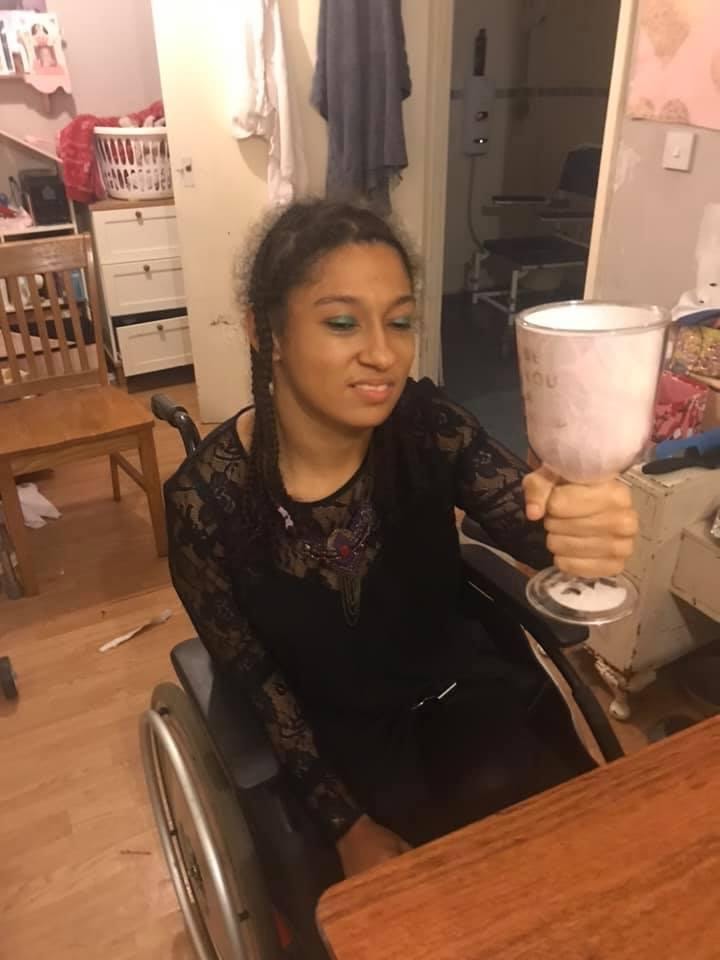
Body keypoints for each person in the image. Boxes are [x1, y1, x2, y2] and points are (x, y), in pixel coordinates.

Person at [165, 199, 637, 880]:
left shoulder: (426, 426)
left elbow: (534, 528)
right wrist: (345, 825)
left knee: (586, 858)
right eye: (342, 322)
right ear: (265, 332)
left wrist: (580, 515)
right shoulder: (205, 503)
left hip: (470, 703)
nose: (383, 354)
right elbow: (259, 685)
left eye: (399, 321)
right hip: (340, 760)